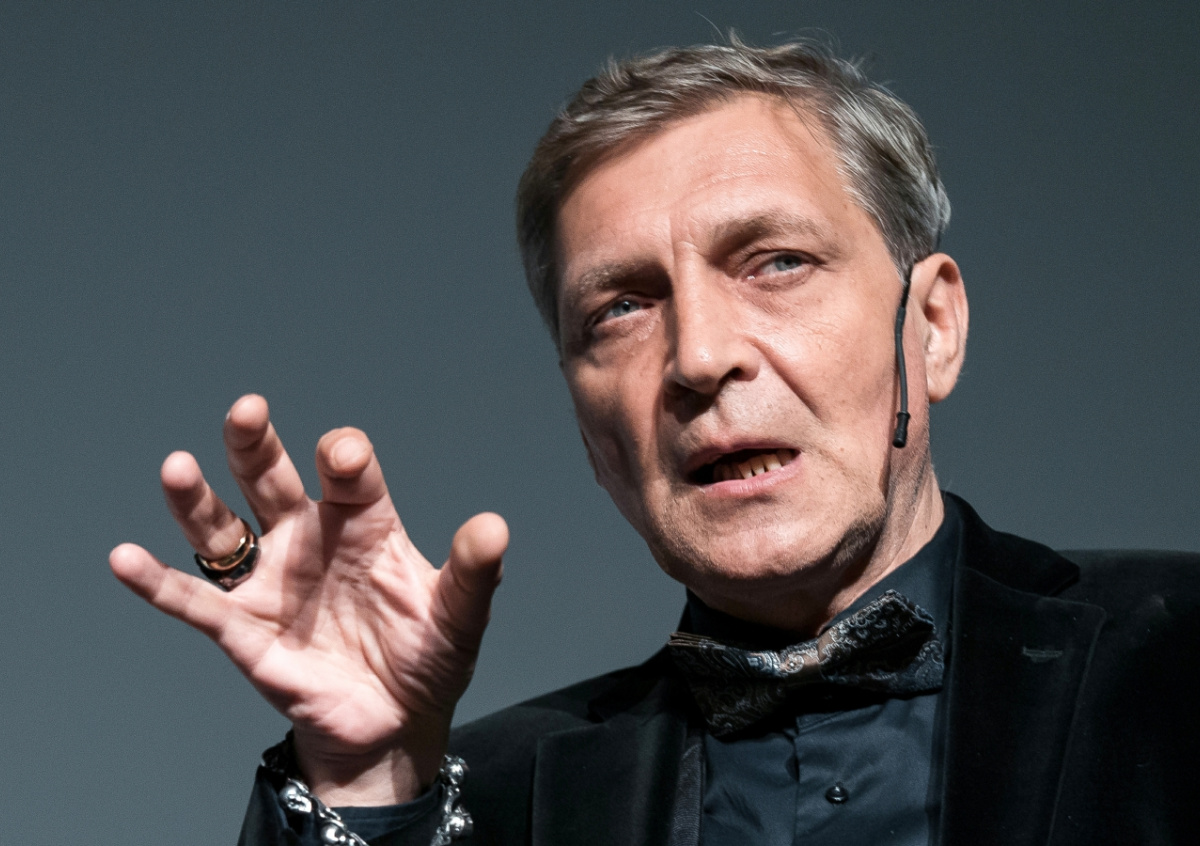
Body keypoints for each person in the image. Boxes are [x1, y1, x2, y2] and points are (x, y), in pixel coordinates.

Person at [110, 39, 1199, 846]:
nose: (698, 357)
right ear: (589, 425)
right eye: (621, 309)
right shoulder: (472, 804)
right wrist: (367, 785)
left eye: (776, 262)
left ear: (934, 327)